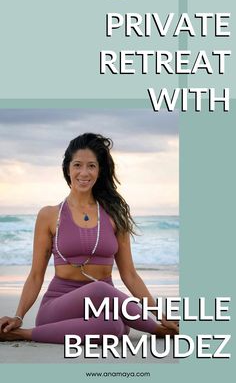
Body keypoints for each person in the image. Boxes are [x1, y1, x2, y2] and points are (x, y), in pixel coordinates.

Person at [0, 133, 178, 344]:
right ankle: (156, 329)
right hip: (57, 308)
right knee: (102, 289)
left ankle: (24, 336)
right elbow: (36, 275)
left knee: (114, 326)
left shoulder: (114, 214)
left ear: (99, 170)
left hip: (103, 308)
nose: (84, 172)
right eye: (77, 165)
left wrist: (155, 310)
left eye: (91, 166)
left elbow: (129, 275)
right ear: (67, 169)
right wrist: (19, 316)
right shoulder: (49, 215)